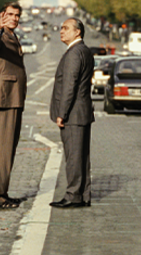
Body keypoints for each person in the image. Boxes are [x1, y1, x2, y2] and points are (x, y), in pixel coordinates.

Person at [0, 2, 28, 209]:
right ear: (1, 16)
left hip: (13, 98)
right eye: (10, 14)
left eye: (17, 15)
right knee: (2, 150)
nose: (14, 18)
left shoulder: (12, 35)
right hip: (5, 98)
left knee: (7, 150)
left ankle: (2, 193)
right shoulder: (0, 36)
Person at [49, 17, 94, 208]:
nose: (61, 31)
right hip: (82, 112)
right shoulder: (84, 50)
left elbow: (69, 86)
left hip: (73, 114)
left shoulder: (74, 53)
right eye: (61, 28)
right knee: (82, 157)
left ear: (78, 32)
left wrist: (62, 113)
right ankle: (83, 194)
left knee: (74, 157)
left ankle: (73, 195)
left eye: (66, 28)